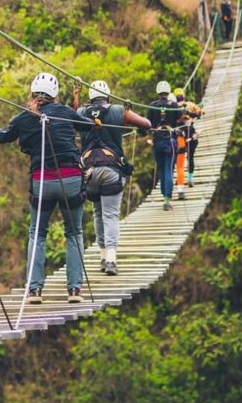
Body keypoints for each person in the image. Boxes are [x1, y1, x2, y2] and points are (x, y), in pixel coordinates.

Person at [0, 73, 96, 302]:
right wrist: (92, 118)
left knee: (37, 234)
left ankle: (34, 290)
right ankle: (74, 290)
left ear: (32, 93)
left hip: (42, 181)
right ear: (54, 95)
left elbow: (5, 138)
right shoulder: (64, 111)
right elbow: (87, 127)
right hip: (72, 179)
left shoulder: (23, 118)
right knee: (74, 233)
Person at [77, 80, 151, 275]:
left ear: (91, 98)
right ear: (107, 97)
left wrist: (77, 100)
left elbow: (73, 119)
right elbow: (146, 124)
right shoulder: (117, 111)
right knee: (110, 215)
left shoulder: (81, 113)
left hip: (89, 172)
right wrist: (127, 114)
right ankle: (111, 260)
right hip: (111, 171)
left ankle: (102, 256)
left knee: (98, 213)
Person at [147, 81, 184, 210]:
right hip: (170, 142)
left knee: (162, 169)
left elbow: (148, 124)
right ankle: (167, 200)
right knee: (169, 169)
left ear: (158, 92)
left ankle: (164, 193)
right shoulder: (173, 105)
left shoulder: (152, 106)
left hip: (157, 142)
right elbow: (180, 120)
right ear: (168, 93)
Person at [174, 88, 204, 189]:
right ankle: (190, 179)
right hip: (190, 133)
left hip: (179, 135)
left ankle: (179, 179)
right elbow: (200, 113)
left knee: (179, 159)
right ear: (184, 95)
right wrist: (200, 111)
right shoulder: (190, 104)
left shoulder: (172, 107)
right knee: (190, 157)